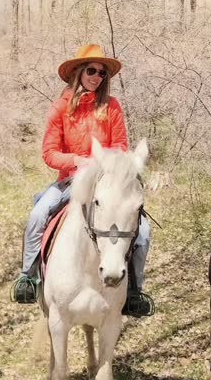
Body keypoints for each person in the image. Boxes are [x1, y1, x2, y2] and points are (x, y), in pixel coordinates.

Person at [11, 44, 154, 317]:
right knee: (38, 215)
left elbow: (121, 145)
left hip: (107, 183)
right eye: (91, 70)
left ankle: (134, 290)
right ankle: (28, 277)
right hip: (70, 181)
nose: (96, 76)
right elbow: (49, 152)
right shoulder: (60, 108)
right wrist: (76, 161)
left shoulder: (111, 107)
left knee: (143, 232)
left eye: (102, 73)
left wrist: (107, 167)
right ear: (78, 72)